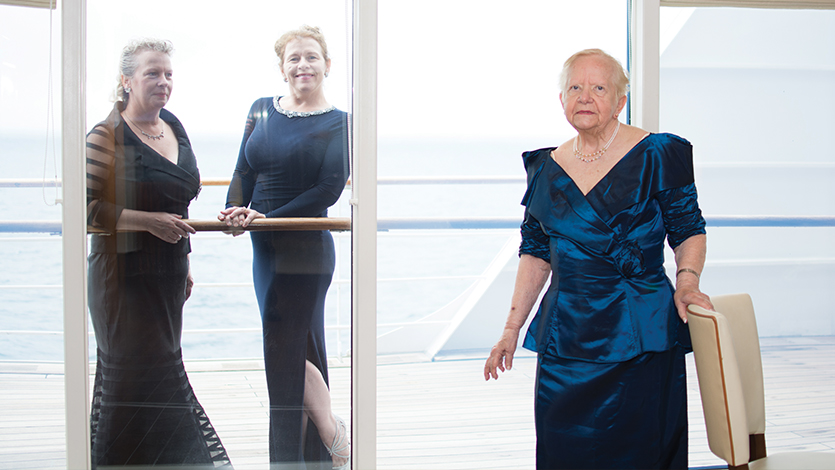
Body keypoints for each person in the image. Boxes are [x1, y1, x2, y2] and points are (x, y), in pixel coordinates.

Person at [483, 49, 713, 470]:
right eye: (575, 87)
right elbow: (535, 253)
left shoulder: (659, 153)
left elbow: (688, 230)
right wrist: (510, 329)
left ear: (621, 101)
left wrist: (687, 281)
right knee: (563, 452)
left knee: (642, 452)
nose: (585, 97)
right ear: (562, 99)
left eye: (599, 88)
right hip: (566, 339)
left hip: (640, 333)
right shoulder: (545, 168)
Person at [85, 39, 231, 467]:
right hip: (122, 278)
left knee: (159, 375)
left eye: (168, 73)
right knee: (133, 381)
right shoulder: (106, 134)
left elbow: (180, 205)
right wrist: (148, 220)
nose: (163, 81)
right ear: (126, 81)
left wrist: (184, 263)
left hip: (167, 276)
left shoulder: (175, 127)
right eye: (152, 73)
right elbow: (87, 208)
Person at [218, 25, 350, 470]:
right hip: (264, 251)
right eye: (294, 58)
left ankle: (310, 450)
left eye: (311, 57)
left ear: (327, 65)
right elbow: (243, 170)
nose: (303, 65)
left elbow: (328, 189)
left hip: (306, 250)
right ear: (282, 68)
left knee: (283, 351)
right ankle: (324, 450)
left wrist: (268, 218)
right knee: (294, 347)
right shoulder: (260, 110)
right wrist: (234, 209)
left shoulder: (338, 122)